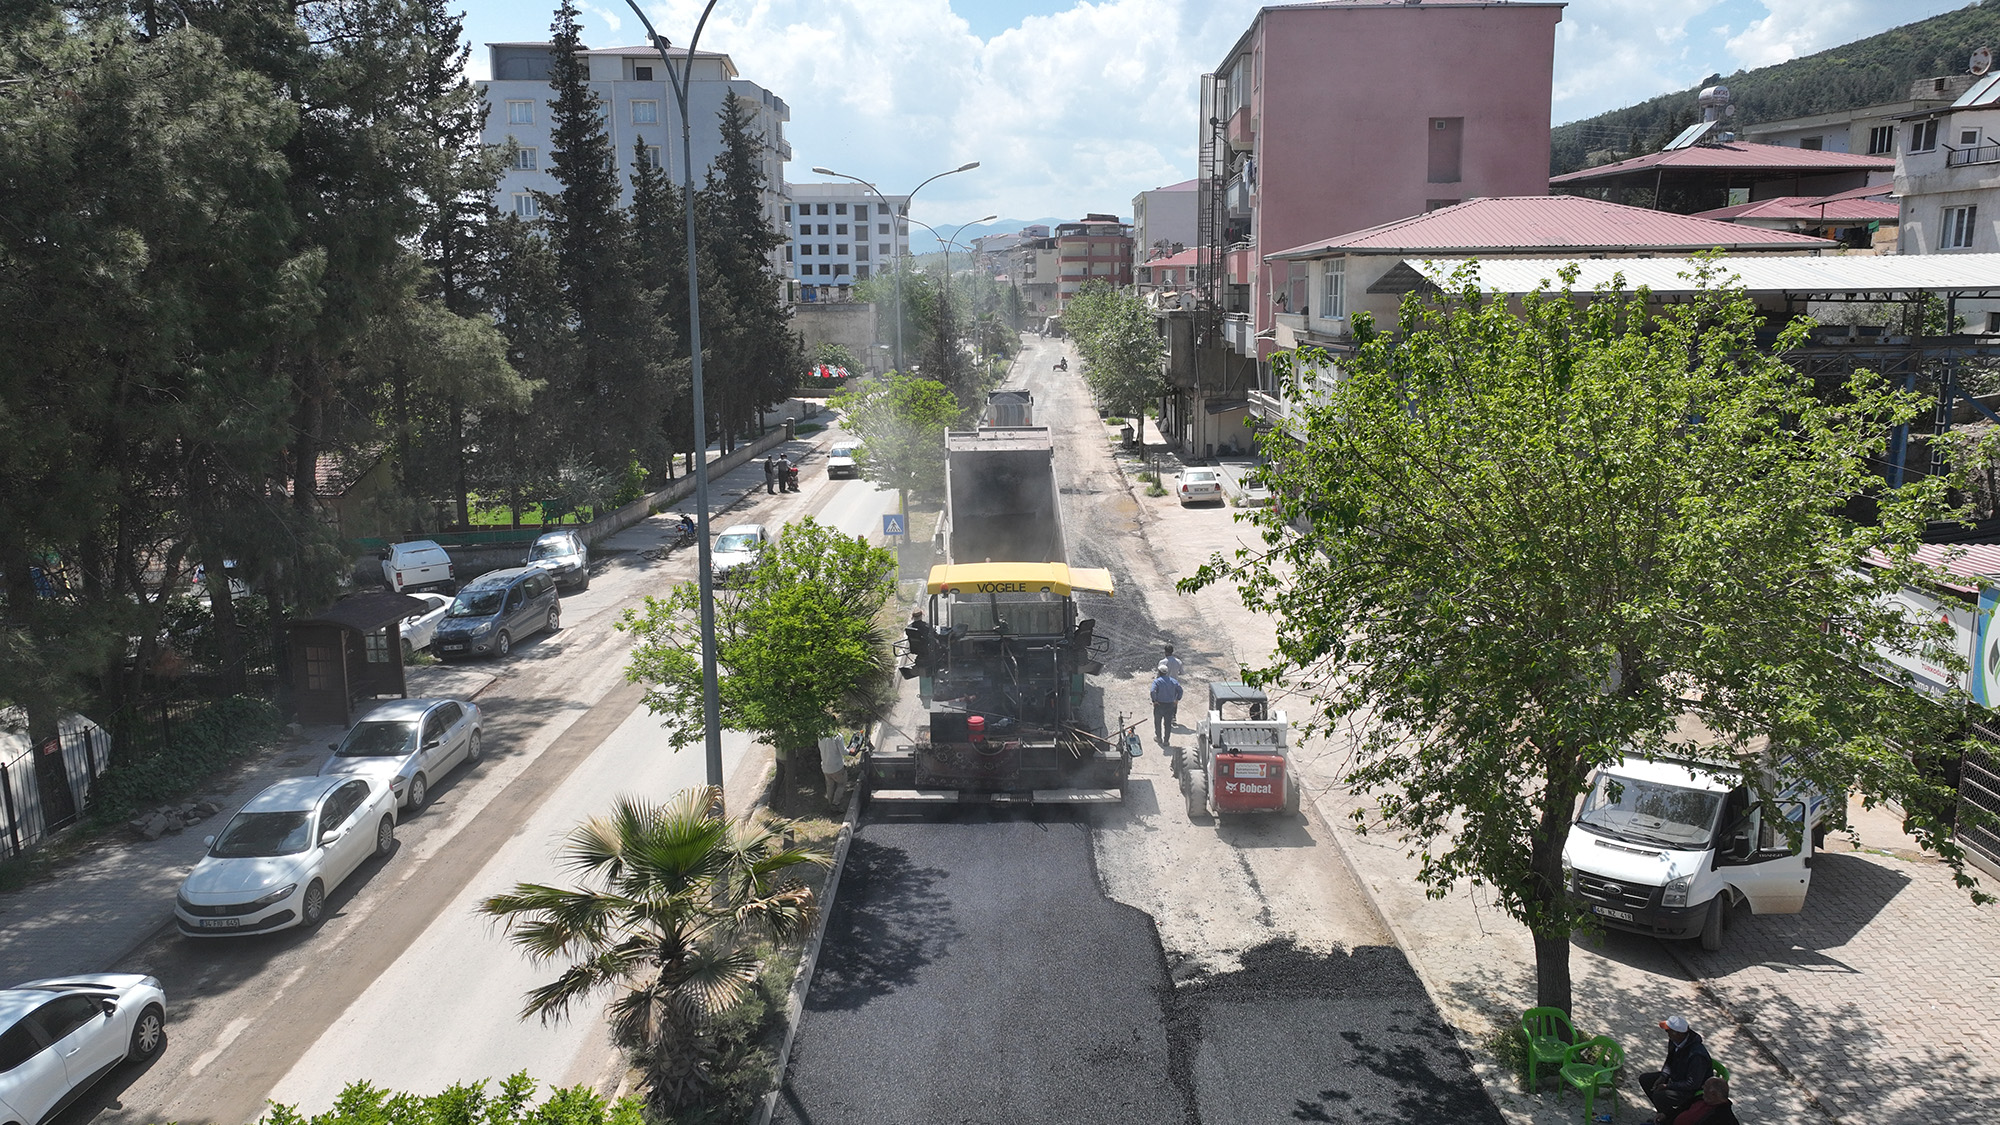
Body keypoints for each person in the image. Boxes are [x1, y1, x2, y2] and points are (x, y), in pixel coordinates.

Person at [1639, 1015, 1714, 1121]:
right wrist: (1663, 1076)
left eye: (1668, 1031)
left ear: (1678, 1033)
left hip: (1692, 1089)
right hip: (1677, 1077)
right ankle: (1663, 1114)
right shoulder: (1675, 1041)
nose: (1667, 1033)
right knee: (1645, 1079)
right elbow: (1669, 1060)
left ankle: (1670, 1119)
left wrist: (1667, 1086)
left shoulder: (1697, 1055)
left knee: (1659, 1095)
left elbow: (1692, 1083)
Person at [1666, 1077, 1738, 1125]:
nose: (1703, 1087)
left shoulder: (1725, 1118)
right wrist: (1666, 1115)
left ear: (1713, 1094)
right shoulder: (1702, 1098)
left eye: (1706, 1087)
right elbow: (1682, 1107)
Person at [1151, 669, 1183, 745]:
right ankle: (1166, 741)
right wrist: (1177, 699)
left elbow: (1152, 691)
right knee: (1168, 724)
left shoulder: (1157, 681)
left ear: (1159, 672)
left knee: (1157, 722)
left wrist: (1154, 700)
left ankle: (1159, 738)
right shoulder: (1173, 681)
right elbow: (1180, 690)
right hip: (1170, 705)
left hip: (1159, 705)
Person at [818, 732, 848, 806]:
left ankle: (830, 803)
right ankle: (836, 803)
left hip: (825, 767)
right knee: (841, 784)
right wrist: (851, 751)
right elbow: (843, 751)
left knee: (830, 786)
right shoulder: (837, 736)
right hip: (837, 767)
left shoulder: (820, 735)